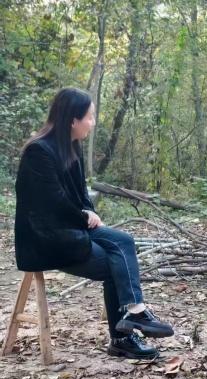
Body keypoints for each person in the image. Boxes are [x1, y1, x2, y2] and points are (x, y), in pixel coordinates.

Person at [14, 88, 174, 360]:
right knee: (115, 265)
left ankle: (135, 312)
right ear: (72, 120)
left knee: (124, 241)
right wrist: (84, 217)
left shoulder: (71, 147)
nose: (93, 122)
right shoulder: (38, 152)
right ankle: (122, 338)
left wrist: (88, 211)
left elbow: (80, 194)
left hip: (72, 229)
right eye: (89, 116)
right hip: (46, 239)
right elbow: (52, 201)